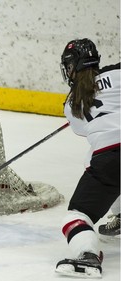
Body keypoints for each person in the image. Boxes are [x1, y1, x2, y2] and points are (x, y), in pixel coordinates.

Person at [55, 38, 120, 278]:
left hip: (111, 157)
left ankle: (88, 255)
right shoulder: (117, 73)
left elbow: (84, 130)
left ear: (71, 67)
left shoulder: (71, 103)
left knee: (75, 216)